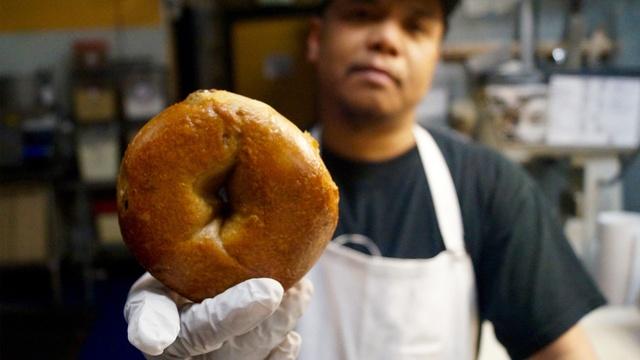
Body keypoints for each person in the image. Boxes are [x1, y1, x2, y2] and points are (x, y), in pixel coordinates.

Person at [124, 0, 606, 359]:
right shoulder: (232, 191)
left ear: (435, 54)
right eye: (361, 14)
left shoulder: (488, 186)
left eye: (415, 26)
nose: (386, 39)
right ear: (316, 38)